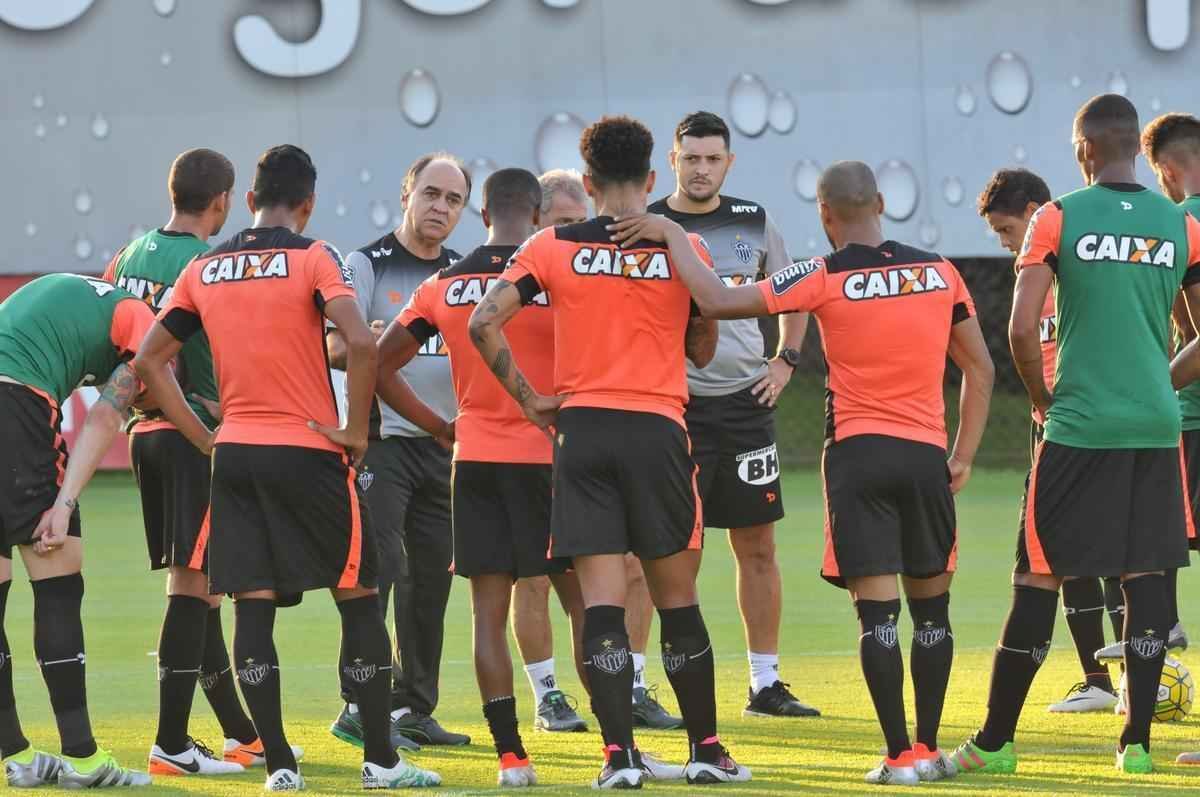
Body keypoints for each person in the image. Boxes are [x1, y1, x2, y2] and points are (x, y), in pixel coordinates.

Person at [620, 160, 994, 785]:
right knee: (933, 614)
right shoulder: (941, 272)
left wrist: (672, 235)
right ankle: (929, 749)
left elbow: (716, 300)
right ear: (880, 202)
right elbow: (979, 368)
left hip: (858, 458)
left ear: (825, 215)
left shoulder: (821, 274)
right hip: (927, 456)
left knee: (877, 616)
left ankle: (898, 757)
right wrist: (962, 454)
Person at [133, 144, 441, 791]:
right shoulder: (313, 255)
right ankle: (382, 760)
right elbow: (360, 340)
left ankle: (279, 764)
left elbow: (150, 361)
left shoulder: (208, 265)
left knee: (253, 605)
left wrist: (204, 434)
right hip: (308, 450)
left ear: (246, 200)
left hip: (237, 454)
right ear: (307, 204)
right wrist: (356, 429)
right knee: (358, 598)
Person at [471, 115, 751, 789]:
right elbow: (704, 346)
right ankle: (706, 749)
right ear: (654, 179)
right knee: (675, 598)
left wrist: (531, 398)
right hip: (657, 432)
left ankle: (619, 757)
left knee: (599, 603)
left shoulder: (551, 245)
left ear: (588, 181)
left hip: (583, 432)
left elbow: (484, 320)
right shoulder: (679, 247)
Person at [953, 94, 1200, 777]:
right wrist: (1157, 383)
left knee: (1037, 574)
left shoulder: (1056, 217)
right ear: (1132, 146)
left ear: (1084, 149)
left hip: (1078, 429)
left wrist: (1043, 400)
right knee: (1145, 580)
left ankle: (997, 742)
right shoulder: (1180, 224)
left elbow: (1022, 328)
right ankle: (1137, 745)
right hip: (1155, 428)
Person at [380, 167, 577, 786]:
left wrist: (440, 425)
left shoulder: (445, 283)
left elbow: (379, 363)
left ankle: (511, 758)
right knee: (589, 605)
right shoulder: (553, 268)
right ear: (538, 214)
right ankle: (616, 751)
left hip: (477, 462)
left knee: (486, 613)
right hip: (554, 461)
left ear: (481, 215)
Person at [103, 147, 271, 776]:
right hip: (192, 433)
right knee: (193, 583)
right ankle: (170, 742)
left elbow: (110, 337)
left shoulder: (128, 256)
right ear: (224, 200)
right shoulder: (208, 265)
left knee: (200, 584)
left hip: (144, 433)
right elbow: (208, 367)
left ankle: (239, 734)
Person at [648, 111, 817, 718]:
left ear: (728, 163)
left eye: (711, 159)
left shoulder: (753, 220)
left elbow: (795, 290)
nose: (700, 169)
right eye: (690, 158)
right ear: (672, 160)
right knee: (669, 549)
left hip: (746, 407)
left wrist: (785, 359)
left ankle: (764, 684)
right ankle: (643, 685)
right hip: (673, 408)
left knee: (758, 546)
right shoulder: (651, 225)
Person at [327, 153, 470, 750]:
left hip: (446, 448)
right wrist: (387, 339)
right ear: (407, 192)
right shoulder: (367, 263)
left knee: (431, 582)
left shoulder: (463, 272)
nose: (440, 207)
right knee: (379, 574)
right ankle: (359, 707)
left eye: (453, 200)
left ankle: (414, 707)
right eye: (431, 193)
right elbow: (337, 346)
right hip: (383, 445)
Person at [0, 273, 156, 788]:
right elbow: (107, 416)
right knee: (59, 582)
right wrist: (64, 504)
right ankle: (85, 760)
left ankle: (15, 756)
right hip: (16, 410)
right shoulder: (144, 320)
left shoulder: (85, 295)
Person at [976, 168, 1122, 714]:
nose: (1007, 243)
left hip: (1095, 426)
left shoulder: (1081, 269)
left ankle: (1139, 677)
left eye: (1008, 229)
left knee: (1113, 553)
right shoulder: (1030, 279)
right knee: (1058, 550)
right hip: (1051, 426)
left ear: (1038, 212)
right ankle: (1098, 681)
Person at [508, 169, 592, 735]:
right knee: (530, 580)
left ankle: (620, 691)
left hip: (584, 450)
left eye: (581, 223)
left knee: (594, 583)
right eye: (564, 223)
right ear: (536, 223)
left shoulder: (593, 279)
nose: (575, 234)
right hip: (518, 453)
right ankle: (546, 696)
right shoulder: (513, 281)